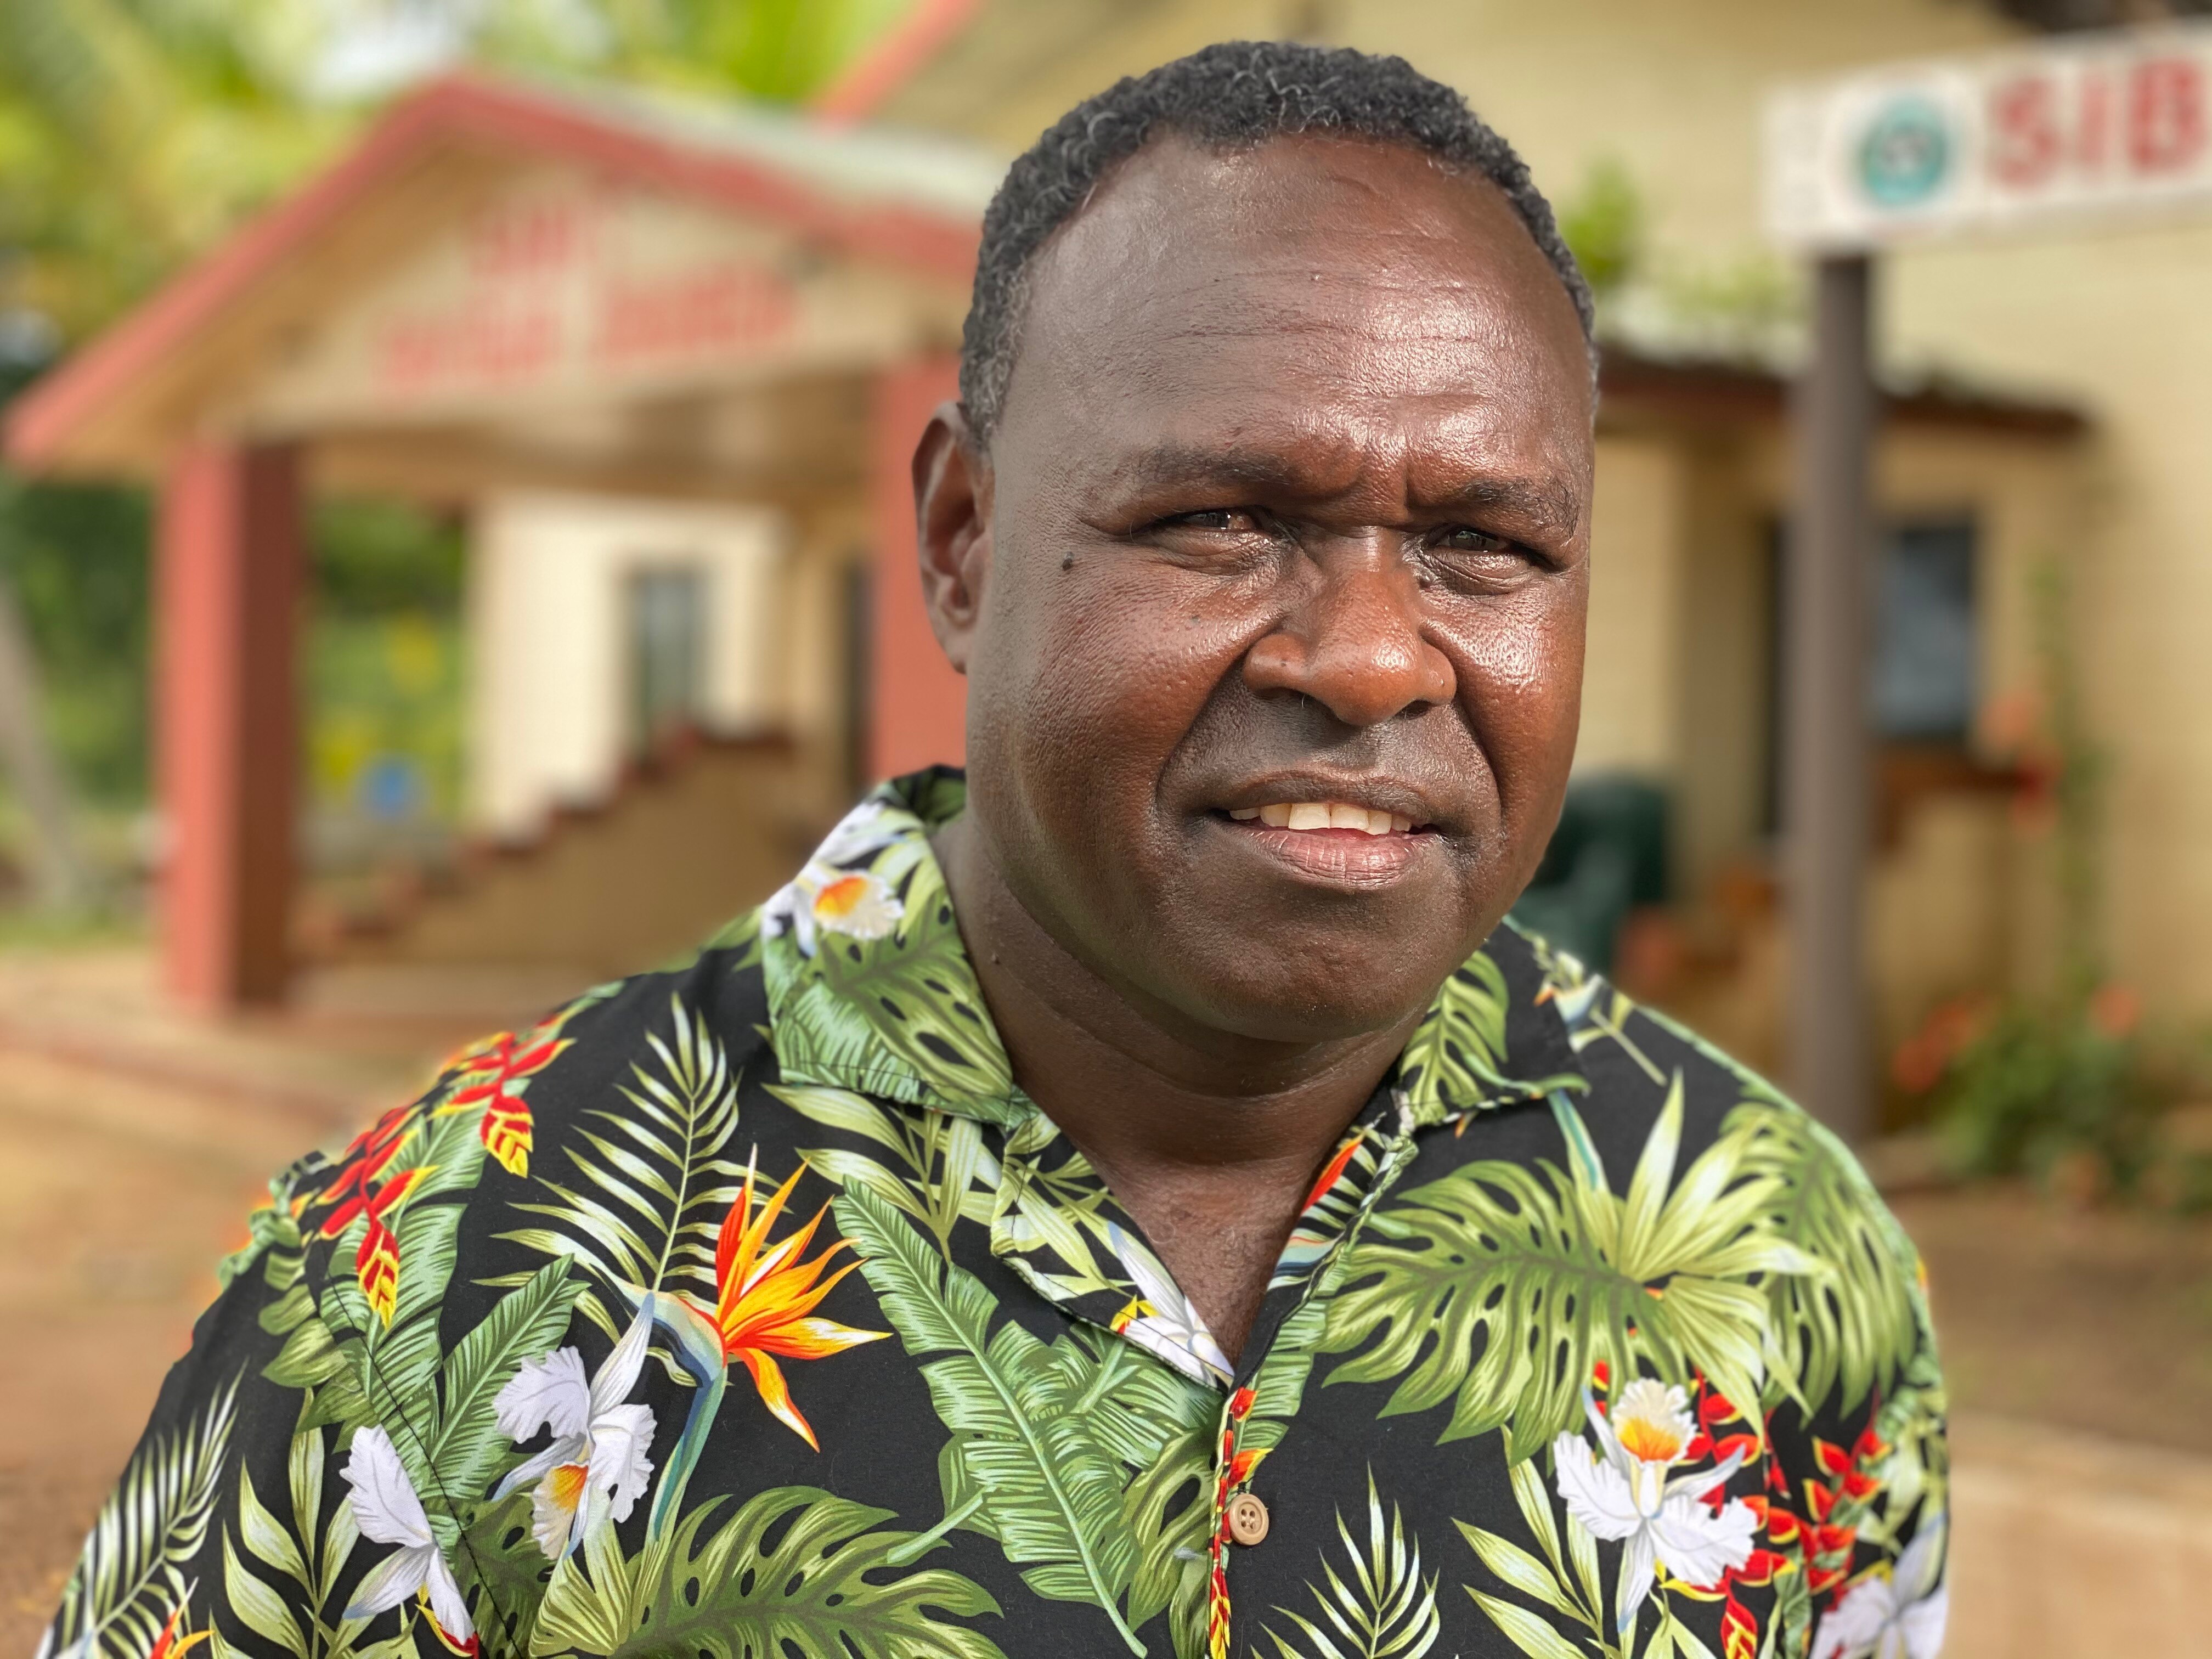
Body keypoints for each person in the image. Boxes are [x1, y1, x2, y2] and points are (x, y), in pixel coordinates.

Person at [40, 41, 1946, 1659]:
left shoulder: (1780, 1256)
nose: (1370, 656)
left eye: (1488, 548)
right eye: (1220, 517)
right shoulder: (447, 1269)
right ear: (961, 540)